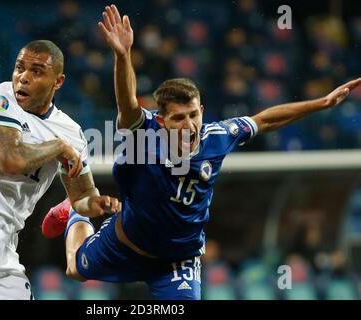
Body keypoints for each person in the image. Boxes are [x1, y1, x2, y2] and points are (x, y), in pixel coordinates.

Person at [42, 5, 361, 300]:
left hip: (177, 261)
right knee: (74, 270)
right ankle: (76, 210)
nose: (189, 125)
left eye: (194, 115)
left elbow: (265, 119)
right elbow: (127, 104)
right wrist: (123, 55)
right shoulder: (145, 133)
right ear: (163, 120)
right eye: (179, 118)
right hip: (124, 245)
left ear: (202, 111)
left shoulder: (217, 136)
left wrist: (321, 104)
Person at [0, 40, 120, 300]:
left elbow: (81, 198)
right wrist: (58, 147)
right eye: (19, 68)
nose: (23, 78)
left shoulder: (72, 132)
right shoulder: (0, 99)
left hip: (5, 247)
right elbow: (10, 159)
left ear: (58, 82)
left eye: (36, 71)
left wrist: (100, 203)